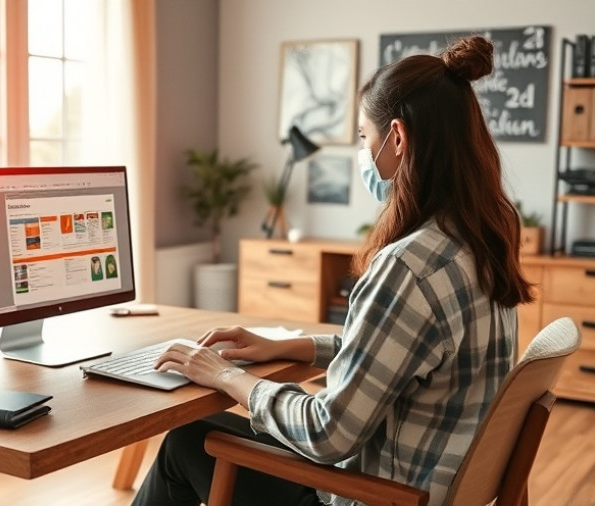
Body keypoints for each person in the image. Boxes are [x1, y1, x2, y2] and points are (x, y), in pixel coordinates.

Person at [132, 36, 534, 506]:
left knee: (187, 440)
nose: (363, 152)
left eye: (364, 137)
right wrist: (290, 346)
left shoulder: (409, 266)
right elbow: (399, 354)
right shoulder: (480, 241)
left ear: (398, 139)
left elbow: (327, 434)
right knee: (199, 433)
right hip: (421, 486)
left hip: (375, 493)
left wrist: (225, 376)